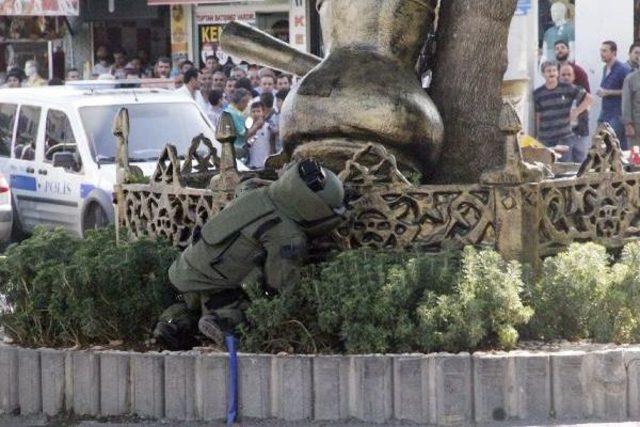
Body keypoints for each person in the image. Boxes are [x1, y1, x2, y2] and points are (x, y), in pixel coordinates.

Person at [153, 159, 347, 350]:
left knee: (189, 303)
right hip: (219, 282)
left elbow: (245, 185)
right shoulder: (288, 235)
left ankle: (170, 323)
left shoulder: (256, 191)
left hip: (187, 265)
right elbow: (280, 284)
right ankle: (223, 321)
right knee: (244, 301)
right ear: (313, 209)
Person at [534, 61, 592, 162]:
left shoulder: (567, 88)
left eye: (554, 70)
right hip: (546, 137)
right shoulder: (538, 93)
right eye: (548, 71)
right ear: (543, 74)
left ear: (557, 73)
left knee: (563, 168)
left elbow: (589, 99)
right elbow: (538, 115)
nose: (551, 73)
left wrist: (576, 112)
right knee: (547, 167)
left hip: (564, 137)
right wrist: (538, 135)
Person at [597, 40, 631, 149]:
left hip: (618, 113)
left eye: (605, 51)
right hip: (606, 112)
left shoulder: (623, 69)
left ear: (614, 52)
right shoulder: (605, 68)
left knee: (612, 143)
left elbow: (630, 90)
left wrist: (608, 92)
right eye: (601, 51)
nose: (602, 53)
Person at [559, 64, 591, 162]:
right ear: (559, 77)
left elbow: (589, 99)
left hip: (579, 133)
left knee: (581, 163)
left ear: (573, 77)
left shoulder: (580, 90)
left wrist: (576, 112)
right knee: (564, 163)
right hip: (563, 135)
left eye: (569, 75)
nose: (566, 77)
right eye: (563, 75)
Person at [224, 88, 262, 160]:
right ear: (242, 102)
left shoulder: (229, 110)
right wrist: (256, 125)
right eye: (247, 103)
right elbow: (244, 135)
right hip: (235, 152)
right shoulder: (235, 114)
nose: (248, 105)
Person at [623, 66, 640, 149]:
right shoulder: (631, 79)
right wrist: (628, 124)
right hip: (636, 127)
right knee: (636, 157)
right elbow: (626, 102)